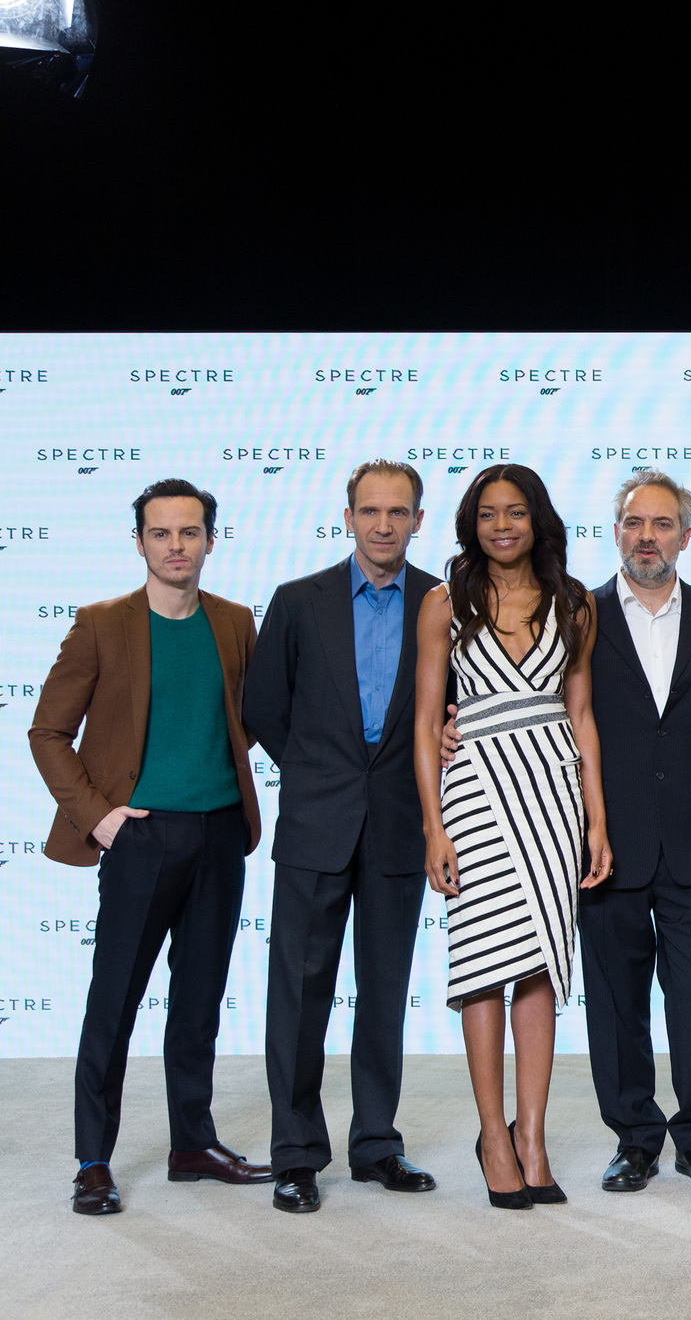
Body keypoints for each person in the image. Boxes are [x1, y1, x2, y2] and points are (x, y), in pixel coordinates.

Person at [443, 468, 691, 1194]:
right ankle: (635, 1138)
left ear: (686, 534)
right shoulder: (580, 610)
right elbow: (520, 690)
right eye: (635, 523)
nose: (647, 536)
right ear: (616, 532)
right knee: (615, 999)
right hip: (595, 836)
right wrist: (449, 722)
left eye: (663, 523)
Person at [30, 479, 272, 1216]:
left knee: (198, 1001)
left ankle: (191, 1143)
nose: (177, 546)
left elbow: (250, 716)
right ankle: (93, 1158)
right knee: (115, 999)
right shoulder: (102, 624)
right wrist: (100, 816)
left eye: (190, 533)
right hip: (140, 836)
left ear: (209, 540)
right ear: (139, 541)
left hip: (220, 832)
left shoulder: (233, 622)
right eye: (161, 533)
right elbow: (47, 732)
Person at [244, 460, 441, 1213]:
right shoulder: (300, 601)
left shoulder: (442, 602)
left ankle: (376, 1144)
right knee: (298, 995)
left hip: (399, 826)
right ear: (348, 516)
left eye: (398, 511)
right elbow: (264, 705)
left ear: (419, 519)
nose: (383, 524)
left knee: (385, 992)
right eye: (370, 510)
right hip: (315, 825)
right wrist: (321, 768)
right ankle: (295, 1153)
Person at [413, 465, 611, 1210]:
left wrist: (596, 818)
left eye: (517, 512)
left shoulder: (575, 602)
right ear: (472, 522)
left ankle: (534, 1135)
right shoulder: (443, 603)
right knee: (483, 962)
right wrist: (433, 826)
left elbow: (582, 715)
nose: (503, 525)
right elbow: (427, 722)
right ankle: (492, 1133)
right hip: (474, 795)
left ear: (538, 520)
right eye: (489, 513)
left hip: (552, 792)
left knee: (539, 966)